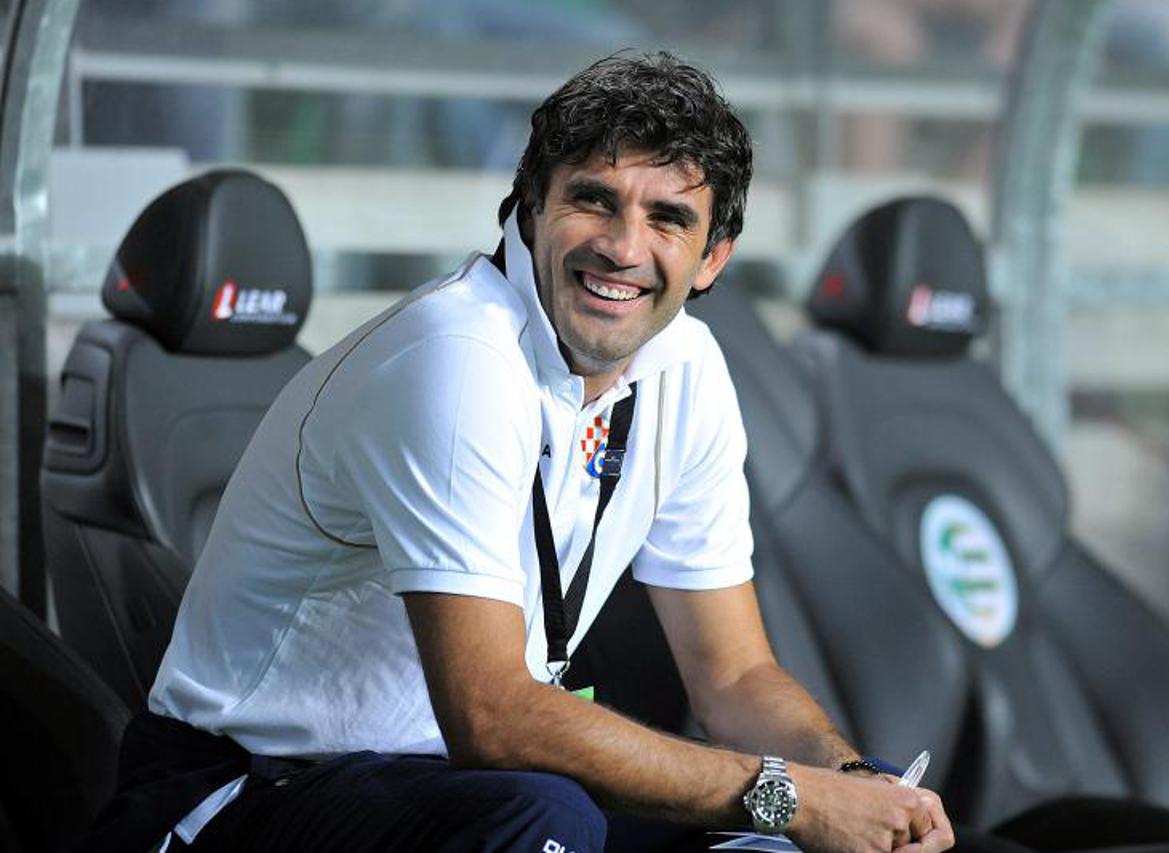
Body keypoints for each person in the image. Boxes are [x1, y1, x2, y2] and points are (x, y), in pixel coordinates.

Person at [82, 53, 956, 853]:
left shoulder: (688, 367)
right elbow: (491, 715)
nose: (623, 247)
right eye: (594, 200)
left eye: (668, 218)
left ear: (712, 259)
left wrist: (850, 784)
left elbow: (732, 675)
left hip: (457, 786)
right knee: (550, 817)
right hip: (241, 792)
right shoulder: (454, 356)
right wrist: (787, 796)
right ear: (531, 207)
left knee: (828, 834)